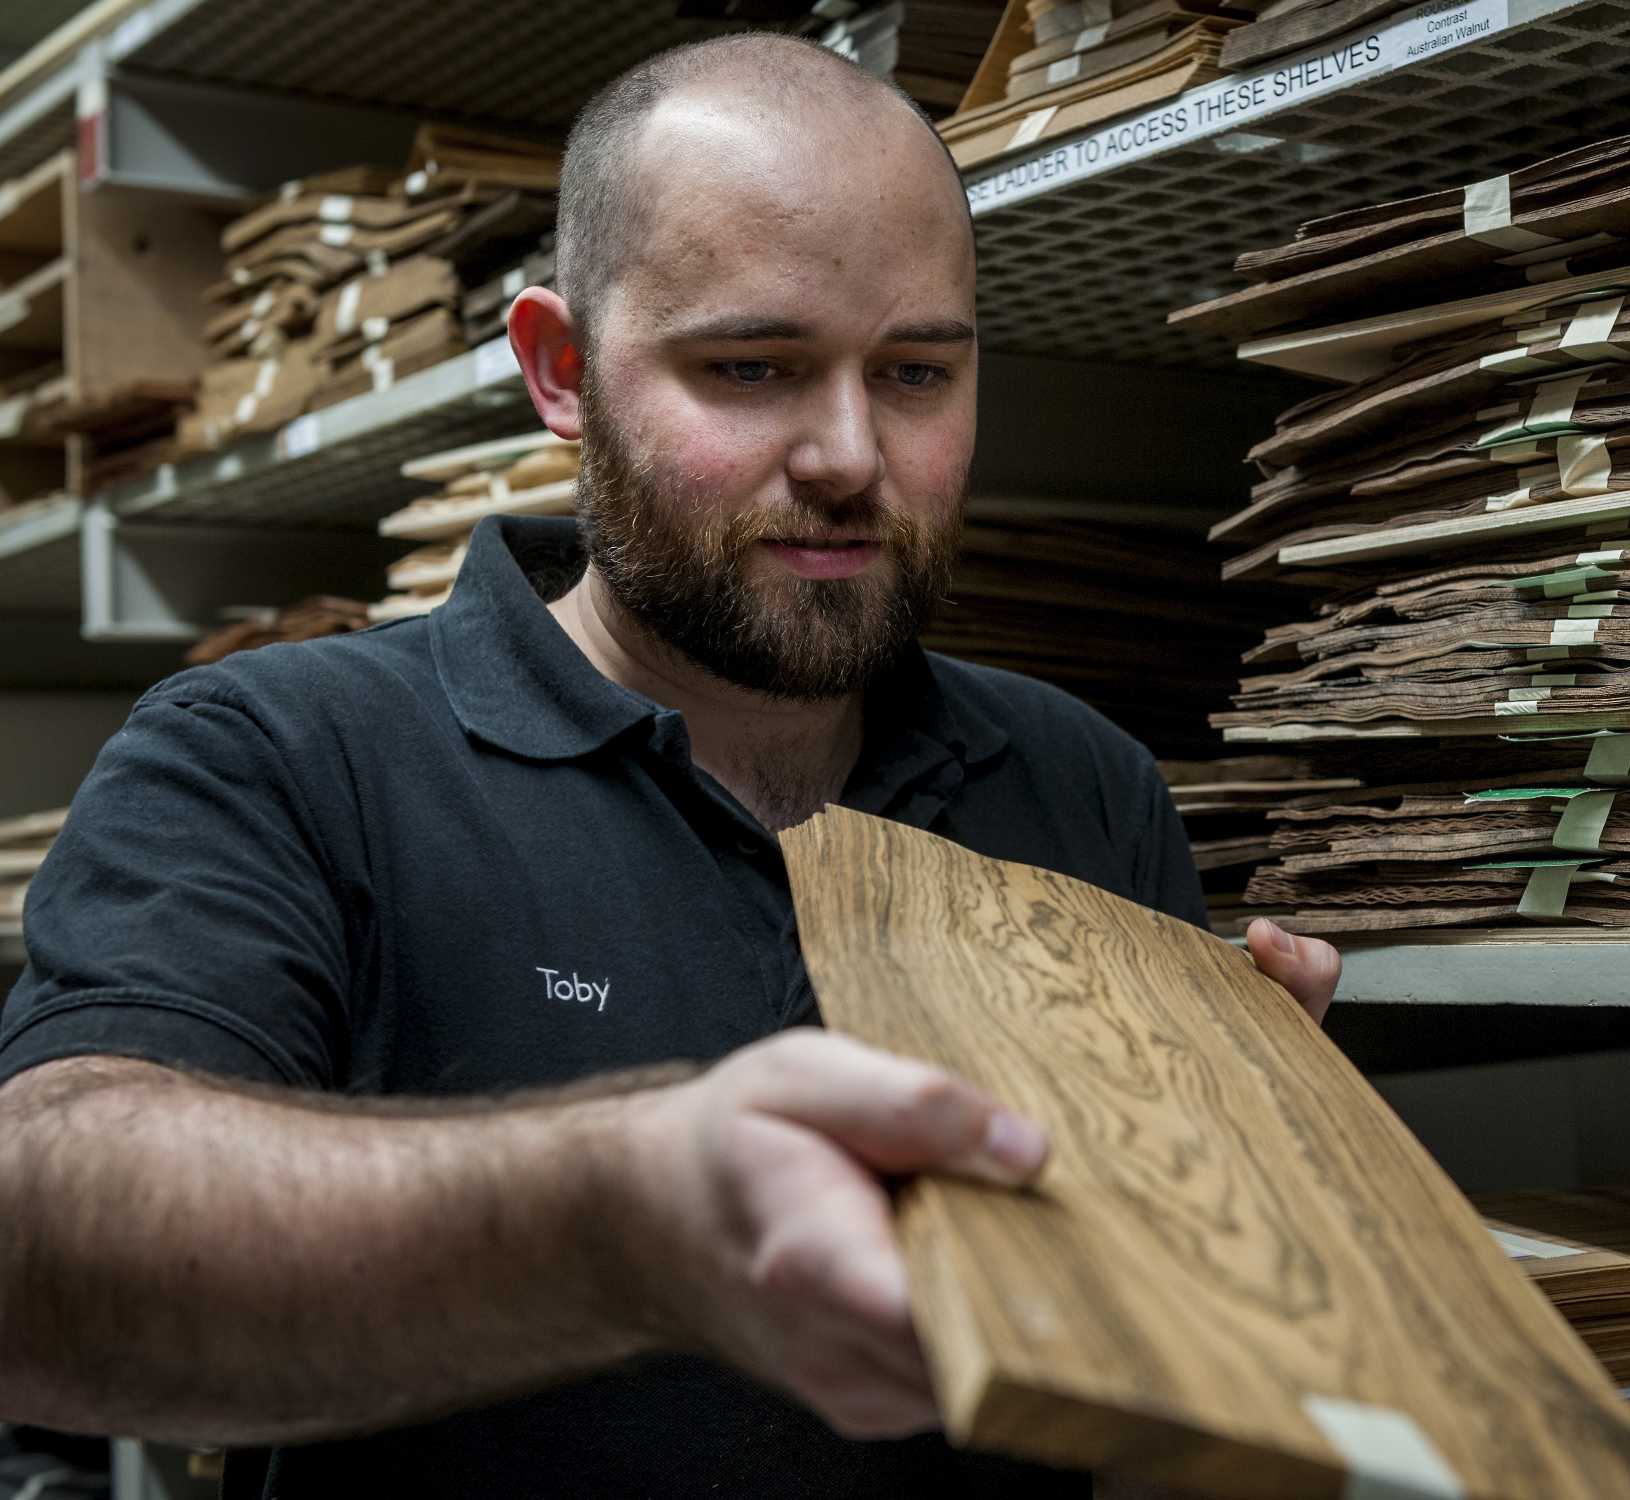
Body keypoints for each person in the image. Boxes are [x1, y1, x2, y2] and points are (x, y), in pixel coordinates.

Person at [0, 33, 1341, 1499]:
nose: (847, 453)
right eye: (753, 367)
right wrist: (624, 1211)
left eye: (914, 374)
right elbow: (43, 1244)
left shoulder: (1079, 785)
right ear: (560, 371)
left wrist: (1245, 1181)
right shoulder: (279, 758)